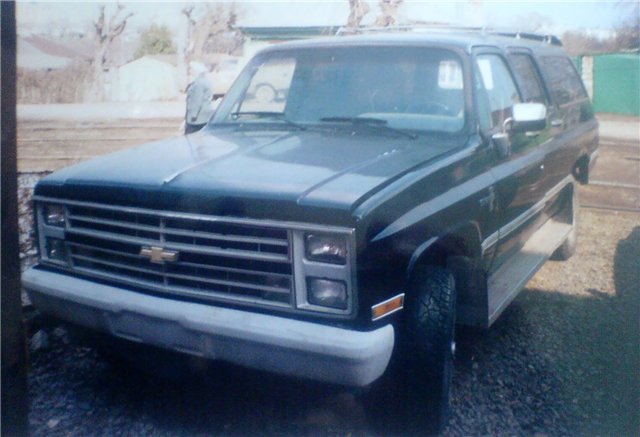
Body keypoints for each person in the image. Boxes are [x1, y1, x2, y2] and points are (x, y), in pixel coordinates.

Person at [184, 62, 214, 134]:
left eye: (190, 69)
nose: (189, 71)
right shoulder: (206, 81)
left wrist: (192, 116)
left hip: (198, 118)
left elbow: (197, 101)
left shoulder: (198, 84)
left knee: (191, 139)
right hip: (205, 115)